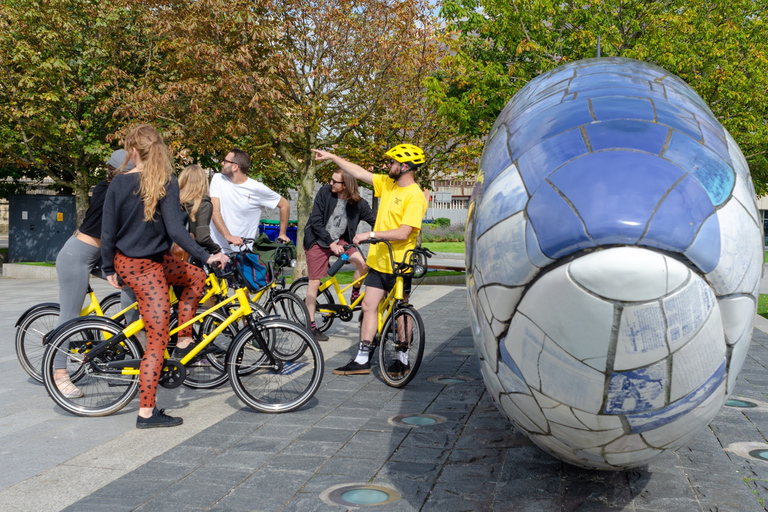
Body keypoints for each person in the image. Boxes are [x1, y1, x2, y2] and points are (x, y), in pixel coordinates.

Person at [101, 124, 228, 429]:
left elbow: (108, 233)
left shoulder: (122, 183)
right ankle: (146, 413)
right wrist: (208, 254)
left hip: (146, 262)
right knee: (157, 341)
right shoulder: (165, 182)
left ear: (133, 150)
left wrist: (108, 267)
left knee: (196, 278)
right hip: (143, 269)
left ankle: (184, 340)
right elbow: (176, 230)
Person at [312, 144, 428, 375]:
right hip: (379, 262)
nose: (389, 166)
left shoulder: (415, 196)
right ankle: (363, 358)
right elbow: (359, 173)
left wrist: (370, 234)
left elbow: (404, 232)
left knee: (401, 310)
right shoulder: (388, 184)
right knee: (368, 306)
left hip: (400, 264)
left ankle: (402, 359)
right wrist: (334, 156)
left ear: (405, 167)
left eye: (393, 162)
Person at [51, 149, 139, 399]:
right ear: (121, 171)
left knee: (131, 285)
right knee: (69, 316)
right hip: (77, 255)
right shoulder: (108, 190)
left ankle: (127, 344)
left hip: (100, 255)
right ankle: (59, 375)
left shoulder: (113, 186)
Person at [303, 169, 376, 341]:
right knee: (314, 282)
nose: (331, 183)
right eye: (331, 180)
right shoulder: (325, 192)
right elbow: (316, 221)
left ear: (346, 185)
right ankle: (310, 326)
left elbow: (376, 220)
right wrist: (331, 244)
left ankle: (355, 294)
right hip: (318, 240)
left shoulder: (358, 203)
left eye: (335, 181)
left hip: (341, 241)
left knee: (363, 265)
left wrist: (376, 235)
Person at [209, 148, 291, 253]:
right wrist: (228, 236)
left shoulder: (256, 188)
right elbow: (214, 210)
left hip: (241, 253)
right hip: (216, 252)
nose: (222, 163)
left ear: (235, 167)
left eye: (225, 161)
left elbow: (284, 205)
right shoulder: (218, 179)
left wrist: (282, 234)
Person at [179, 164, 221, 259]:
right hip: (191, 257)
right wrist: (217, 250)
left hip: (169, 255)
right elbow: (202, 238)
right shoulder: (203, 205)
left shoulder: (173, 202)